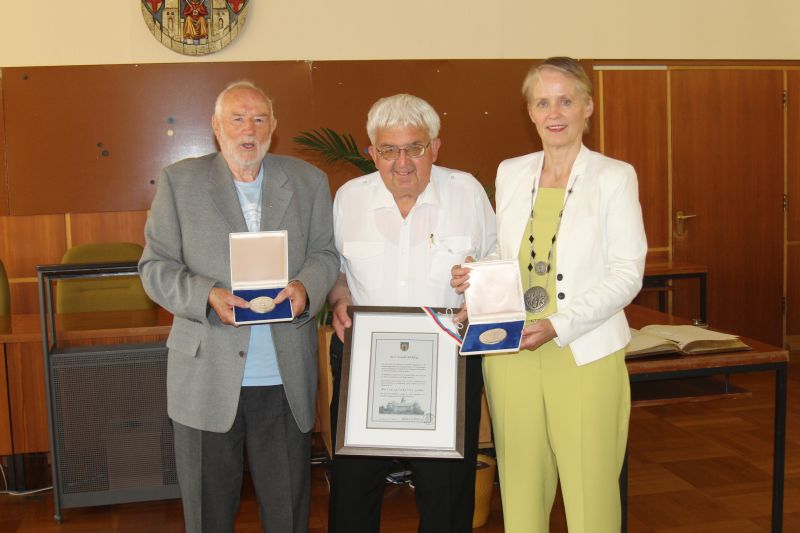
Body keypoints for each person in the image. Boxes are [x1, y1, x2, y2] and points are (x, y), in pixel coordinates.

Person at [451, 57, 647, 532]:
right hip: (511, 350)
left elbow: (627, 274)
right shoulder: (511, 171)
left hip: (583, 351)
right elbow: (509, 248)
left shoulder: (614, 177)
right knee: (519, 486)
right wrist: (478, 276)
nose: (554, 111)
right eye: (542, 102)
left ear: (588, 107)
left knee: (590, 490)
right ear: (530, 112)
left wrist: (558, 325)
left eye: (566, 100)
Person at [139, 80, 339, 533]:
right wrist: (206, 295)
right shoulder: (179, 182)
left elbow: (326, 255)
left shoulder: (308, 181)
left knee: (287, 513)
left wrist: (306, 287)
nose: (249, 129)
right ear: (215, 127)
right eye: (237, 118)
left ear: (274, 126)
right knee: (209, 515)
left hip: (284, 380)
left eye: (259, 118)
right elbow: (155, 268)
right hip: (205, 376)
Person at [326, 93, 497, 533]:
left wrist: (480, 282)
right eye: (389, 150)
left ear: (435, 148)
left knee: (447, 495)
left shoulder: (467, 194)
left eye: (414, 147)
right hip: (364, 365)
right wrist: (339, 299)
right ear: (372, 154)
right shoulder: (349, 199)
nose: (402, 162)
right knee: (353, 492)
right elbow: (336, 274)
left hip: (447, 365)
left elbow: (499, 268)